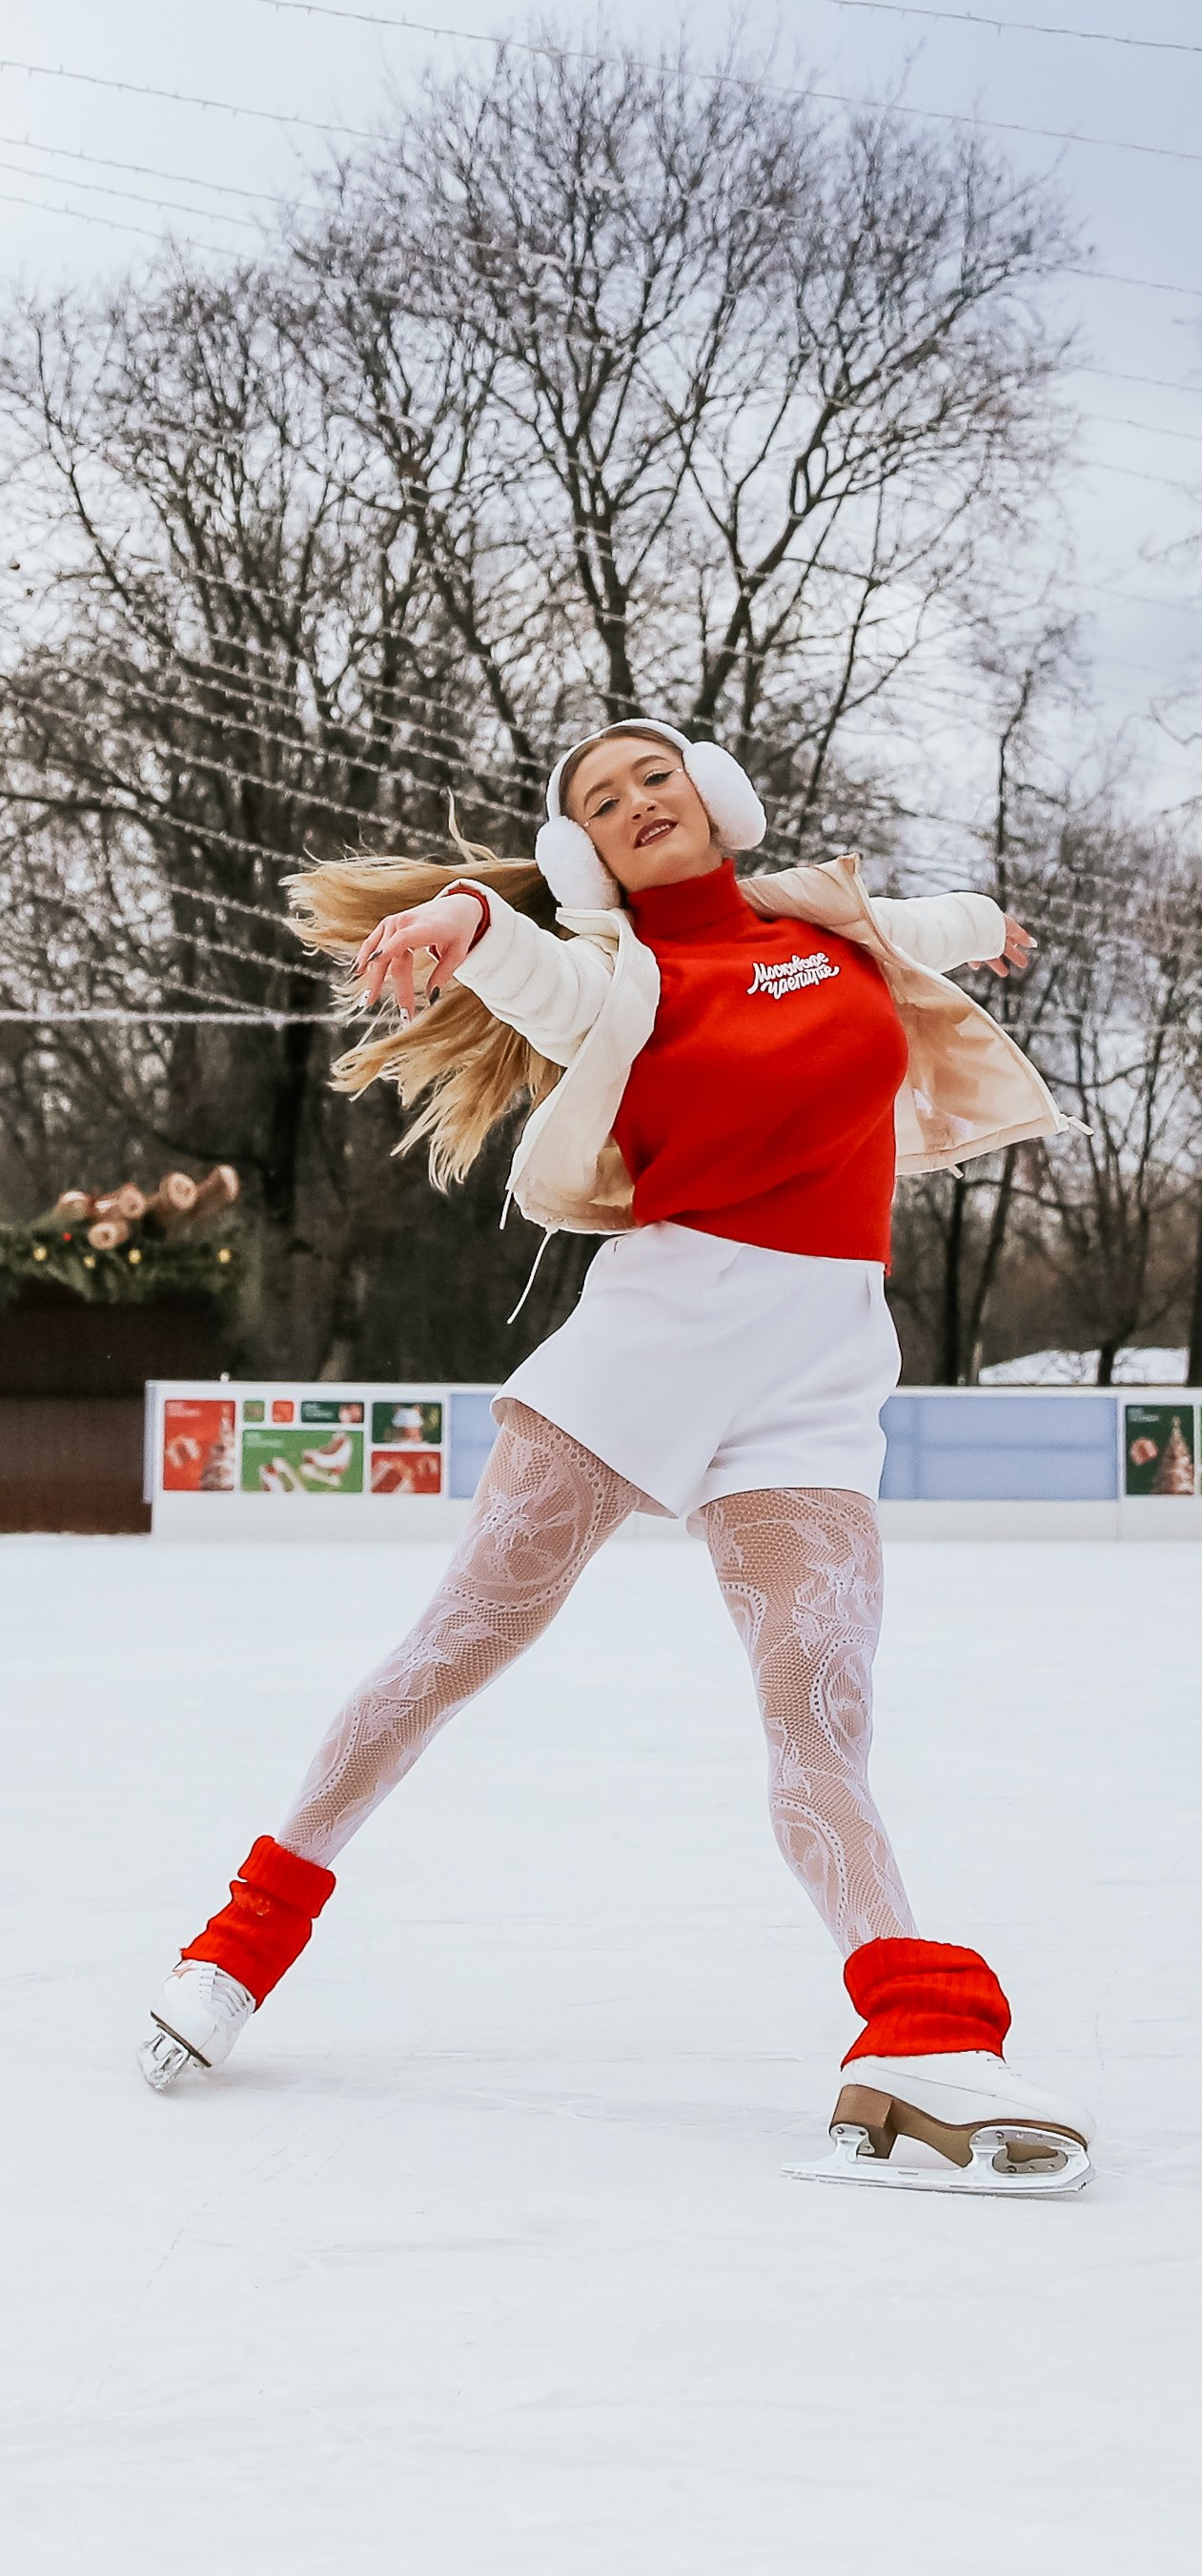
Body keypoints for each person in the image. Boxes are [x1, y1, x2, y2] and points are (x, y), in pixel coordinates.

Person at [138, 720, 1093, 2198]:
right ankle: (239, 1945)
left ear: (713, 802)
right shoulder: (622, 974)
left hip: (820, 1364)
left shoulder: (828, 924)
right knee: (455, 1648)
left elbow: (935, 926)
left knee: (821, 1720)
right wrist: (466, 918)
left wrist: (993, 926)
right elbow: (534, 975)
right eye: (599, 800)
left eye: (655, 776)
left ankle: (913, 2037)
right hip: (651, 1340)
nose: (635, 801)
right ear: (585, 848)